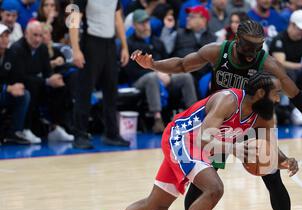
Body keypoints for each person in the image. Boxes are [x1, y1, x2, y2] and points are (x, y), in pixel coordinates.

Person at [131, 19, 302, 210]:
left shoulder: (266, 62)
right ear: (237, 41)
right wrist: (153, 64)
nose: (252, 54)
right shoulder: (217, 52)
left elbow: (295, 94)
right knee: (200, 181)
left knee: (273, 179)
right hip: (220, 121)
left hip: (254, 120)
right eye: (248, 48)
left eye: (257, 49)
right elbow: (183, 64)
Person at [78, 72, 299, 210]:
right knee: (214, 189)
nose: (279, 99)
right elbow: (204, 138)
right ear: (261, 94)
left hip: (200, 148)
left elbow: (269, 147)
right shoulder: (228, 100)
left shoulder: (264, 115)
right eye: (276, 94)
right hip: (182, 138)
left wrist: (284, 161)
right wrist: (235, 149)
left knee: (156, 205)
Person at [70, 0, 131, 149]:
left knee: (111, 91)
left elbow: (118, 19)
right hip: (90, 43)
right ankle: (80, 135)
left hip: (109, 44)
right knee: (84, 91)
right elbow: (73, 21)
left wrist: (124, 46)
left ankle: (112, 133)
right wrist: (76, 49)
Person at [125, 9, 198, 133]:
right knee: (152, 78)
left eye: (147, 22)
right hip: (140, 82)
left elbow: (168, 61)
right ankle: (157, 120)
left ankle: (194, 116)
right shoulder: (129, 43)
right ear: (134, 25)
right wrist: (157, 73)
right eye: (141, 23)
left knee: (185, 77)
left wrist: (168, 73)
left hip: (164, 77)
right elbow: (130, 71)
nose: (145, 25)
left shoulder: (157, 41)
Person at [11, 20, 67, 143]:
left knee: (60, 86)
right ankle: (26, 129)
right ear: (26, 34)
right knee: (31, 87)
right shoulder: (16, 49)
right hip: (21, 86)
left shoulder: (42, 48)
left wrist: (54, 79)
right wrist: (47, 81)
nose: (37, 39)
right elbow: (20, 77)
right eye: (34, 35)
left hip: (39, 82)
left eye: (40, 36)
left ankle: (55, 127)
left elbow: (47, 71)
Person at [0, 23, 30, 144]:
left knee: (24, 94)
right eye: (1, 36)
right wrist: (7, 88)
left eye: (7, 36)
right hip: (3, 91)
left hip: (4, 94)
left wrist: (18, 86)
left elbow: (18, 76)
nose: (4, 39)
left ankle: (15, 132)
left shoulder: (11, 54)